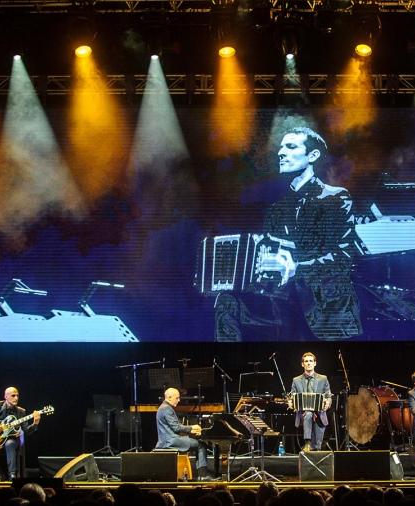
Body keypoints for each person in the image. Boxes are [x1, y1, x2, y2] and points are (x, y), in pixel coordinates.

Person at [214, 126, 362, 341]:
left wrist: (296, 268)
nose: (280, 152)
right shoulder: (277, 208)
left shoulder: (336, 198)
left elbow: (343, 258)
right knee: (226, 300)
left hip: (324, 305)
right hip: (283, 302)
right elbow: (271, 260)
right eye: (281, 147)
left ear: (312, 155)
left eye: (291, 146)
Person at [0, 386, 42, 480]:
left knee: (9, 444)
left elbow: (26, 431)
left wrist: (35, 424)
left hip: (11, 440)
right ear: (6, 396)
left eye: (17, 396)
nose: (16, 398)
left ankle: (12, 476)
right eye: (13, 395)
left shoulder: (21, 411)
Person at [154, 387, 211, 480]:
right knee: (201, 445)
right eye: (177, 398)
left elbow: (174, 426)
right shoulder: (166, 409)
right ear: (169, 397)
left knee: (197, 443)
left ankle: (201, 475)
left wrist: (191, 430)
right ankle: (203, 476)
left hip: (168, 439)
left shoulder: (164, 407)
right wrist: (192, 427)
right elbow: (176, 428)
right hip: (170, 441)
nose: (179, 400)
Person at [288, 352, 332, 451]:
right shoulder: (296, 380)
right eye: (306, 361)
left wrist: (327, 403)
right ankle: (307, 442)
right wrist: (291, 403)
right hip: (303, 414)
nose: (308, 363)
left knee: (317, 447)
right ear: (302, 364)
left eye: (311, 361)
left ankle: (314, 449)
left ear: (315, 363)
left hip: (319, 413)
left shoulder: (323, 379)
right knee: (308, 414)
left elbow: (328, 396)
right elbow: (292, 396)